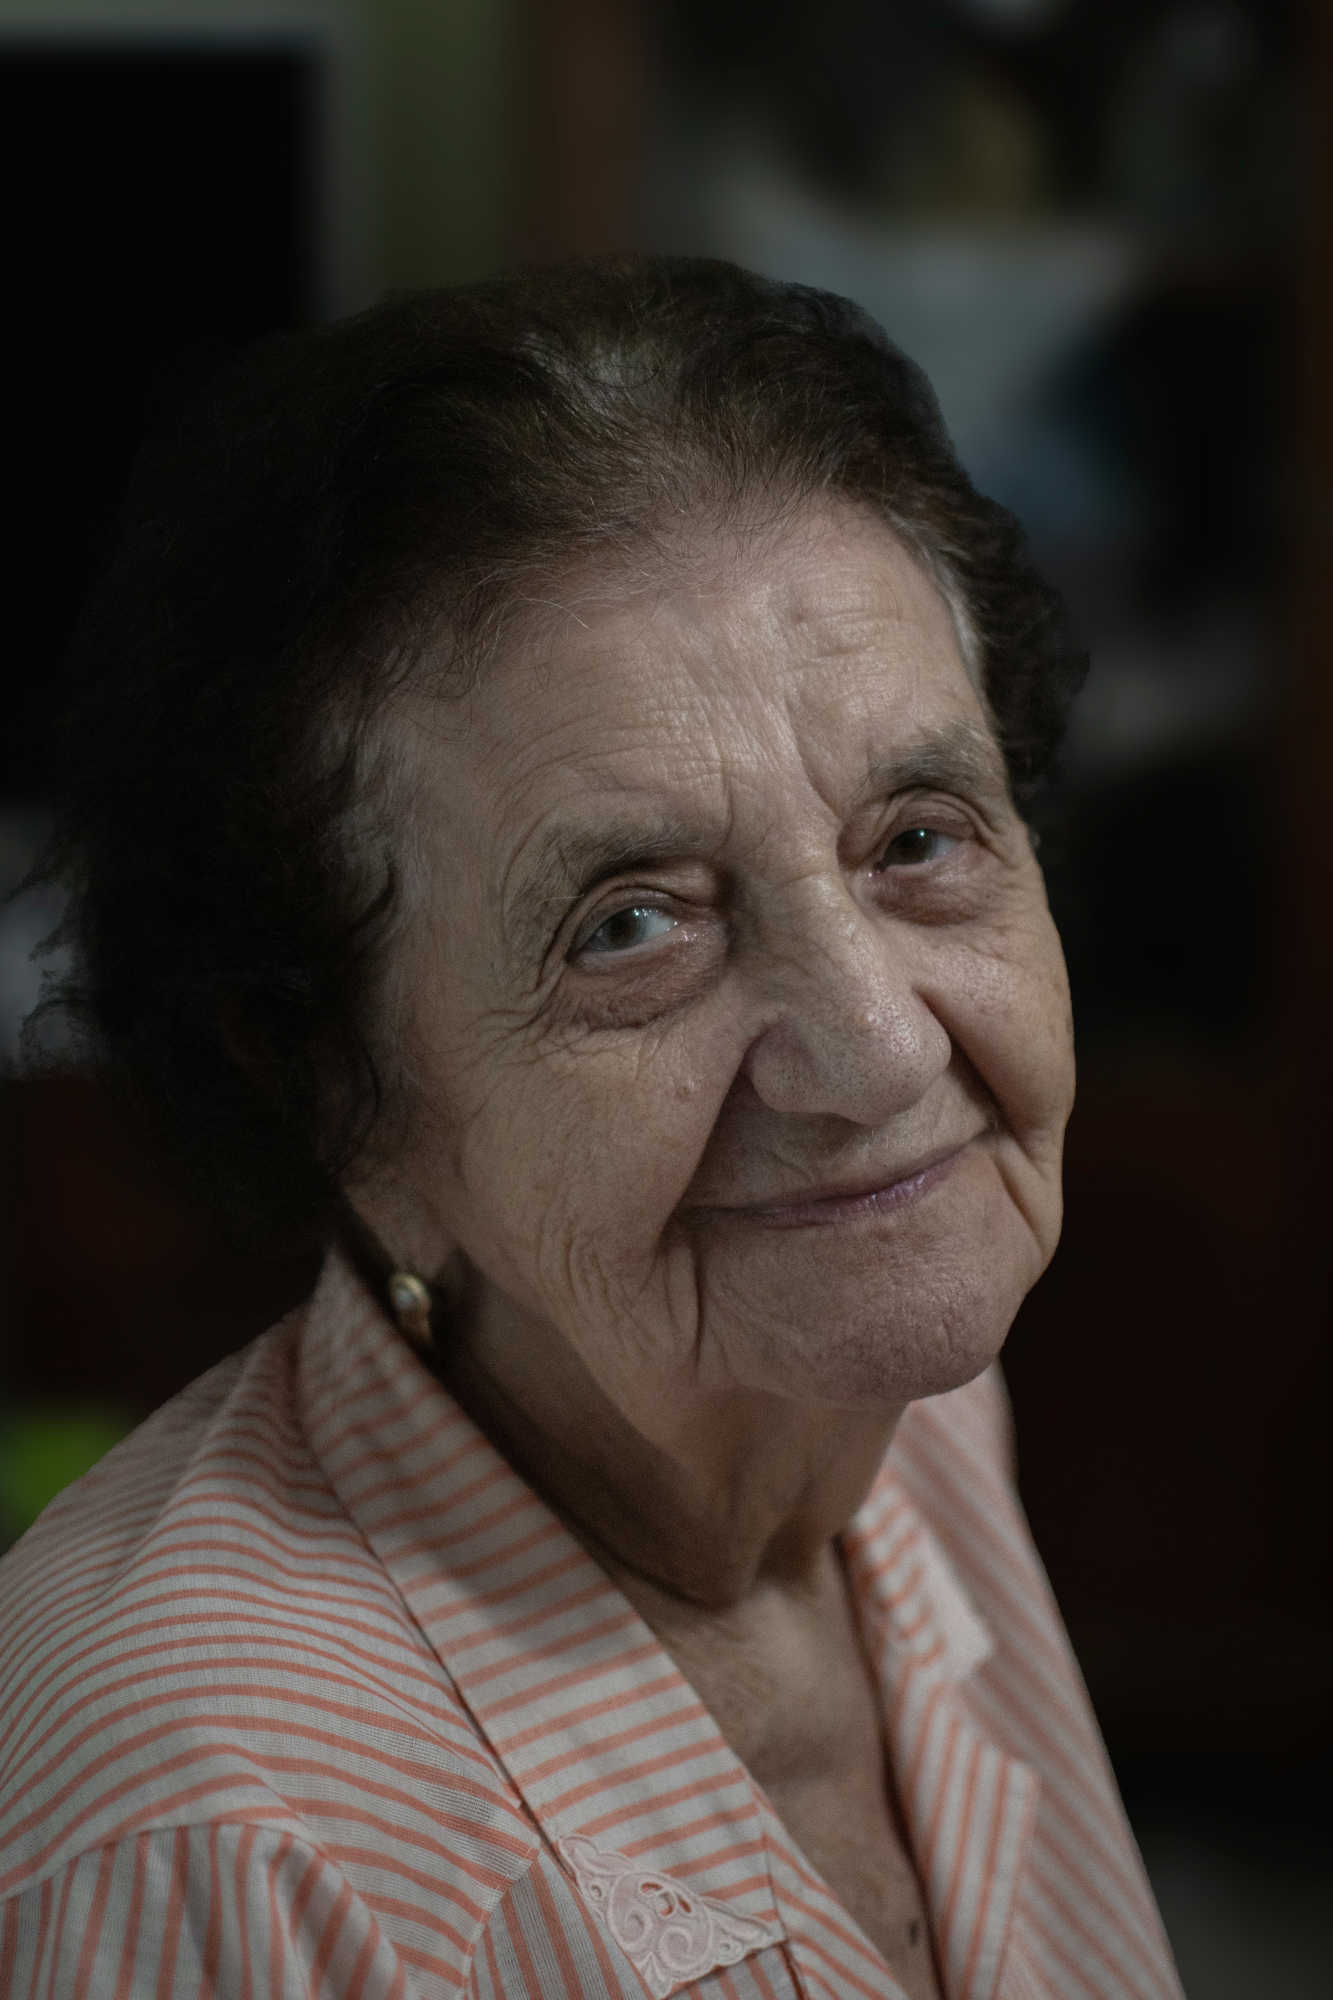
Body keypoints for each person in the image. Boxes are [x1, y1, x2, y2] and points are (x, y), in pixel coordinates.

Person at [0, 257, 1183, 1999]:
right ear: (336, 1090)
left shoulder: (909, 1414)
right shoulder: (204, 1835)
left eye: (917, 839)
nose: (872, 1053)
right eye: (631, 925)